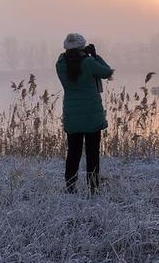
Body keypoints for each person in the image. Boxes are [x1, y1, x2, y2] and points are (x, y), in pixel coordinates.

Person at [56, 32, 114, 194]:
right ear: (82, 47)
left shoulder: (60, 64)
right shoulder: (89, 62)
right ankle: (93, 188)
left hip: (72, 115)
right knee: (92, 152)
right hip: (91, 114)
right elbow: (107, 72)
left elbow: (73, 63)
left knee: (73, 152)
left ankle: (70, 187)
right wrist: (95, 56)